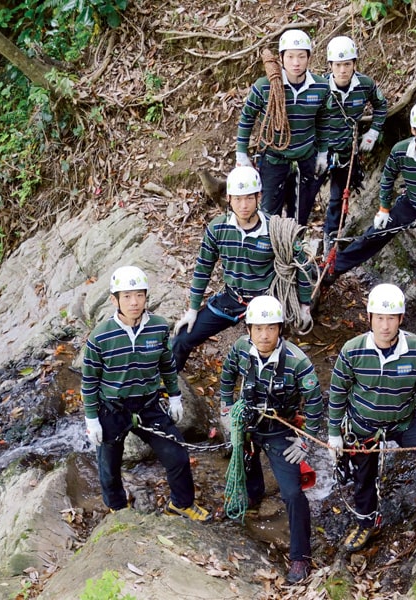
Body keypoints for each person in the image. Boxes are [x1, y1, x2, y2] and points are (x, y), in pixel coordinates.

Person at [326, 284, 416, 550]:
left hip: (404, 422)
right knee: (362, 476)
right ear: (369, 318)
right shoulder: (352, 350)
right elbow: (337, 393)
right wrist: (334, 432)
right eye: (379, 318)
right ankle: (365, 523)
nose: (385, 325)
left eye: (391, 318)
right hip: (363, 424)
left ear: (401, 319)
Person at [82, 265, 211, 521]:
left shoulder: (159, 327)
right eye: (127, 296)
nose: (134, 302)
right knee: (109, 465)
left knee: (177, 454)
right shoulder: (100, 337)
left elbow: (167, 364)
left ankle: (181, 503)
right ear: (114, 300)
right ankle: (117, 507)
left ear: (146, 296)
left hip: (148, 404)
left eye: (139, 295)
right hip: (112, 407)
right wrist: (91, 418)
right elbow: (89, 380)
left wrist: (175, 397)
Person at [216, 296, 322, 583]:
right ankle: (252, 495)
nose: (264, 335)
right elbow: (227, 375)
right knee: (244, 459)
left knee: (291, 493)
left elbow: (315, 403)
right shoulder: (240, 350)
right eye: (258, 328)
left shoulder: (297, 362)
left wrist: (304, 441)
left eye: (271, 328)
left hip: (279, 430)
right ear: (248, 329)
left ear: (280, 330)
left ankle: (300, 556)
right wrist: (227, 408)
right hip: (247, 424)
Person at [329, 102, 416, 313]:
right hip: (412, 206)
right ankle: (334, 268)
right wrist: (384, 209)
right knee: (376, 233)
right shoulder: (400, 151)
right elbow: (387, 178)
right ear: (414, 130)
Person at [171, 166, 313, 372]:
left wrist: (304, 306)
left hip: (265, 299)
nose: (243, 205)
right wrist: (193, 309)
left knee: (264, 354)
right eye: (237, 199)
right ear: (229, 198)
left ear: (259, 197)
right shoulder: (218, 229)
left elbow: (303, 267)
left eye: (249, 198)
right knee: (182, 338)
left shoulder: (276, 230)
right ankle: (168, 390)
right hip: (232, 298)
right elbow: (203, 268)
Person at [235, 29, 332, 226]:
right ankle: (269, 250)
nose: (296, 62)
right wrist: (241, 154)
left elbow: (323, 120)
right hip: (273, 158)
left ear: (309, 58)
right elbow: (247, 118)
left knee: (301, 212)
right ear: (281, 58)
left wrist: (323, 153)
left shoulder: (321, 87)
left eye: (301, 56)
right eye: (290, 56)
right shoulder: (264, 87)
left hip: (306, 158)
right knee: (269, 212)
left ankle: (294, 250)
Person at [317, 35, 388, 252]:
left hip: (346, 152)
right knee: (306, 192)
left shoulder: (364, 85)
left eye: (347, 64)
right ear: (330, 66)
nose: (343, 70)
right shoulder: (320, 87)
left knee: (339, 197)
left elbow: (380, 105)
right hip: (320, 150)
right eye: (338, 65)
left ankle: (330, 237)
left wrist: (373, 132)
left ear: (354, 64)